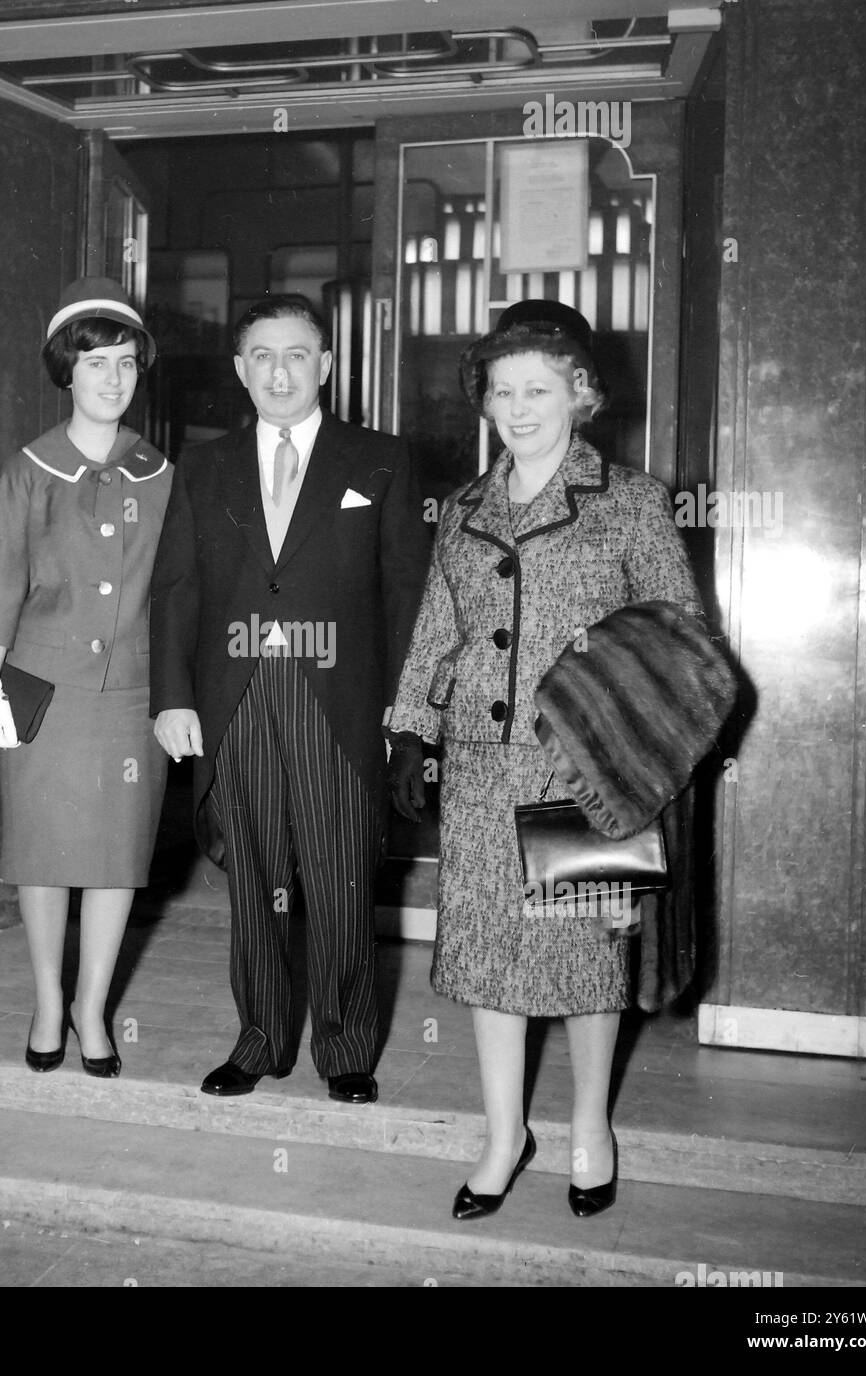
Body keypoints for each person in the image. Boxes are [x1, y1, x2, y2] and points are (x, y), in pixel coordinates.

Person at [386, 299, 703, 1218]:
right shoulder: (467, 508)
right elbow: (439, 627)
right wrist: (411, 725)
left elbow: (681, 638)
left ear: (582, 392)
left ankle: (591, 1130)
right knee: (486, 957)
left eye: (539, 387)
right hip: (484, 773)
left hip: (589, 773)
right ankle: (502, 1135)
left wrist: (617, 738)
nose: (518, 407)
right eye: (501, 390)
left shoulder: (632, 501)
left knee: (584, 964)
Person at [150, 294, 430, 1103]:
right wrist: (173, 696)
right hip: (235, 697)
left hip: (338, 699)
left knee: (343, 877)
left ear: (327, 366)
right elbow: (177, 588)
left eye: (298, 354)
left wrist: (402, 708)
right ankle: (261, 1036)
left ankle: (345, 1048)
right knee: (255, 880)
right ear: (241, 370)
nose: (280, 371)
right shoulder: (200, 467)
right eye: (263, 356)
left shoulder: (379, 459)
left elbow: (408, 589)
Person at [0, 277, 169, 1078]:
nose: (112, 379)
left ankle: (94, 1010)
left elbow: (177, 586)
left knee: (117, 856)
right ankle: (48, 1002)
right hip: (39, 688)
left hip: (131, 692)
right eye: (95, 365)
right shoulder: (28, 470)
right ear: (67, 372)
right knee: (45, 852)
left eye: (125, 363)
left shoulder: (160, 473)